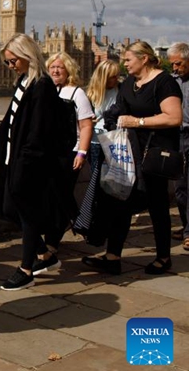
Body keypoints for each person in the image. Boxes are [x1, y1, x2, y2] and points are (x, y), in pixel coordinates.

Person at [82, 41, 181, 275]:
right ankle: (113, 257)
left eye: (128, 59)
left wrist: (139, 122)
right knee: (120, 202)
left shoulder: (163, 82)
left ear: (144, 58)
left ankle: (163, 257)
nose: (124, 63)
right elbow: (119, 111)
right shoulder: (129, 83)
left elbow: (174, 117)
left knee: (157, 205)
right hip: (129, 154)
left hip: (154, 155)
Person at [0, 33, 73, 291]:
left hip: (28, 163)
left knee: (26, 213)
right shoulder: (24, 81)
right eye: (7, 62)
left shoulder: (42, 85)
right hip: (12, 158)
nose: (10, 66)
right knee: (10, 209)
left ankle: (26, 269)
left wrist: (24, 164)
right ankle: (46, 255)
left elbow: (38, 131)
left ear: (27, 56)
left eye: (13, 60)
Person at [28, 52, 93, 273]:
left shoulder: (76, 93)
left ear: (69, 71)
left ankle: (52, 245)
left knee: (60, 198)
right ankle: (60, 232)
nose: (56, 70)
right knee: (47, 198)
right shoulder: (45, 90)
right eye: (52, 67)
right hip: (47, 154)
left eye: (60, 67)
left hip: (69, 153)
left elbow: (85, 125)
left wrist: (82, 152)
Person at [73, 59, 120, 244]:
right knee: (98, 187)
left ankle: (107, 224)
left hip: (114, 142)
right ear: (102, 77)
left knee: (113, 186)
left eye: (117, 76)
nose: (116, 79)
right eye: (112, 77)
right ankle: (96, 225)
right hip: (95, 144)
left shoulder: (121, 91)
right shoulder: (89, 94)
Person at [167, 42, 189, 252]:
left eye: (178, 64)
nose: (175, 68)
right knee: (180, 187)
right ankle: (186, 226)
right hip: (177, 136)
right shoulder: (172, 81)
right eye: (172, 64)